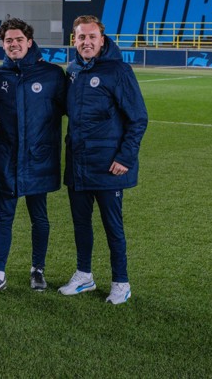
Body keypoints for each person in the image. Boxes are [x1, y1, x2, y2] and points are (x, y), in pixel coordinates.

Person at [59, 15, 148, 305]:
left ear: (102, 39)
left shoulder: (119, 70)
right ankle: (84, 275)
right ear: (74, 40)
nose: (86, 42)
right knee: (81, 224)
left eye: (92, 37)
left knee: (113, 227)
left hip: (109, 166)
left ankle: (121, 282)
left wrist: (125, 157)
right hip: (78, 164)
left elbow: (138, 119)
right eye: (81, 37)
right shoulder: (72, 70)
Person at [0, 19, 67, 296]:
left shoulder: (52, 75)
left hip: (39, 158)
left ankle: (37, 269)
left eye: (18, 40)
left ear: (29, 41)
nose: (13, 44)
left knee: (39, 216)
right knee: (4, 217)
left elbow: (68, 110)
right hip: (6, 157)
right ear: (3, 45)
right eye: (8, 41)